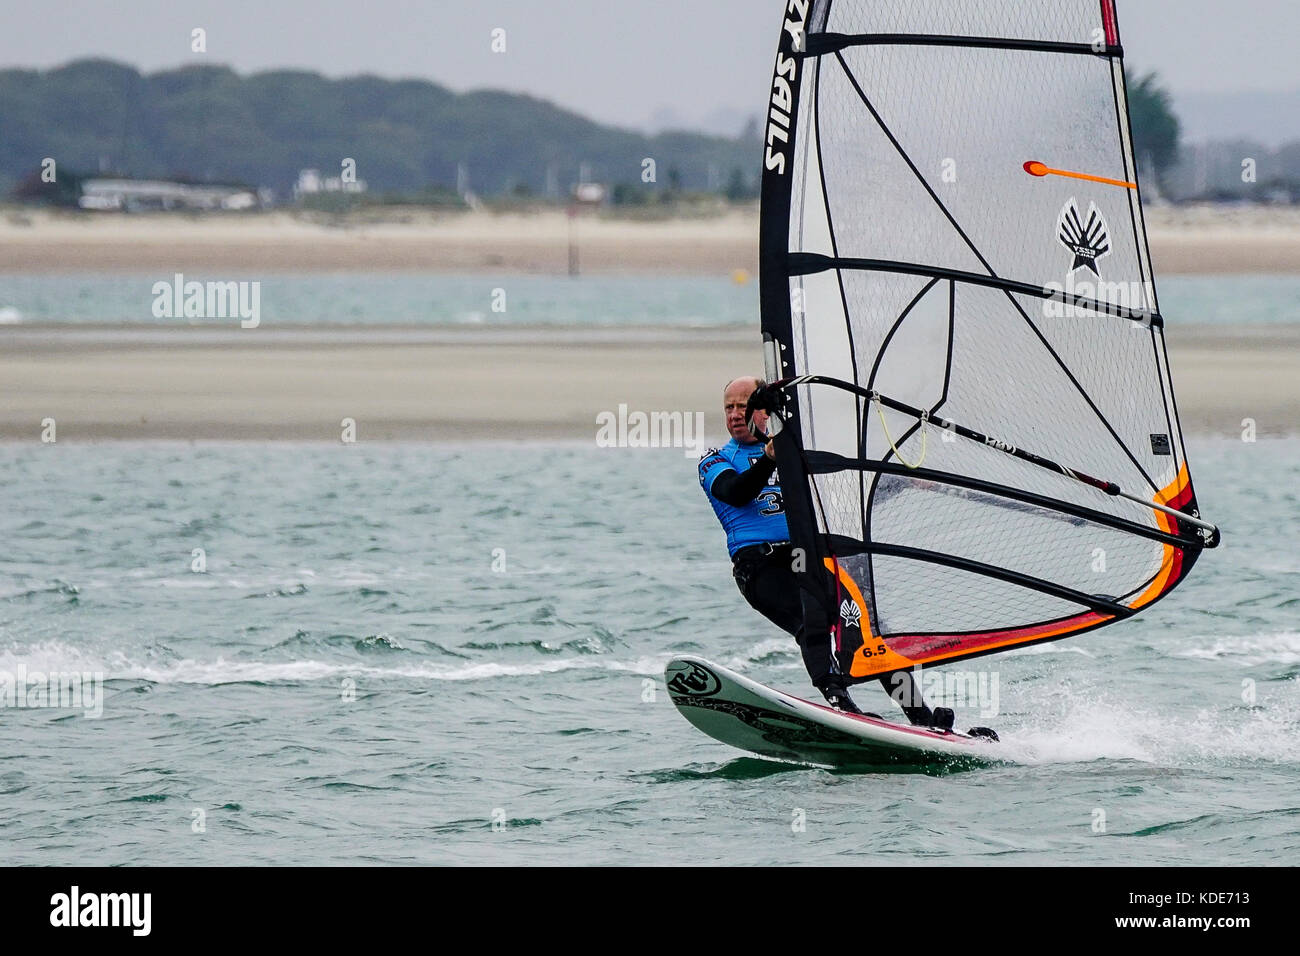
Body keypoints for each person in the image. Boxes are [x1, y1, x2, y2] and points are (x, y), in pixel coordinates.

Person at [698, 376, 944, 726]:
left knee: (867, 628)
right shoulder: (716, 459)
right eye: (730, 407)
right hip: (760, 566)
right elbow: (736, 492)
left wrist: (904, 481)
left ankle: (921, 716)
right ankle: (841, 704)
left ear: (765, 412)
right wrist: (770, 458)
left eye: (744, 406)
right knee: (809, 619)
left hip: (810, 557)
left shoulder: (797, 452)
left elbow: (847, 489)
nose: (736, 414)